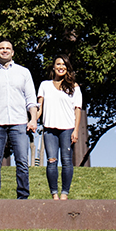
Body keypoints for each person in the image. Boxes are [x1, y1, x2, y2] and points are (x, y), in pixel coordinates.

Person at [0, 39, 38, 199]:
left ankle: (23, 197)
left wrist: (33, 119)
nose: (4, 50)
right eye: (1, 48)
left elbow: (31, 99)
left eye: (8, 48)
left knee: (22, 161)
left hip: (19, 122)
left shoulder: (23, 73)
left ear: (13, 52)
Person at [37, 55, 83, 200]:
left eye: (64, 65)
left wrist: (75, 130)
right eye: (58, 64)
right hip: (50, 128)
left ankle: (64, 194)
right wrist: (32, 120)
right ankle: (54, 194)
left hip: (67, 128)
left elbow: (77, 109)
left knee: (66, 160)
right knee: (51, 160)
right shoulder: (44, 85)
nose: (61, 67)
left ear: (67, 68)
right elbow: (39, 108)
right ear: (53, 67)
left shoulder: (74, 87)